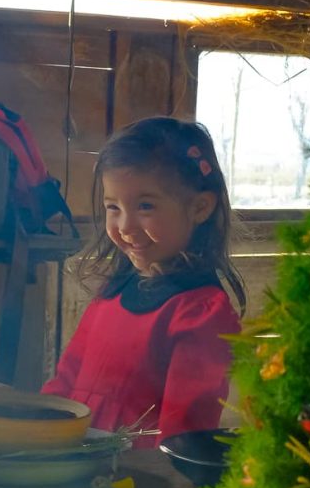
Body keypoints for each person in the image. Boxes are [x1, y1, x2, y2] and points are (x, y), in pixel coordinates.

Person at [41, 116, 245, 440]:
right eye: (113, 207)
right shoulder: (113, 291)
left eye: (145, 205)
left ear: (200, 208)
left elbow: (183, 438)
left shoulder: (200, 313)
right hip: (72, 471)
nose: (124, 226)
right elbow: (64, 386)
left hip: (136, 485)